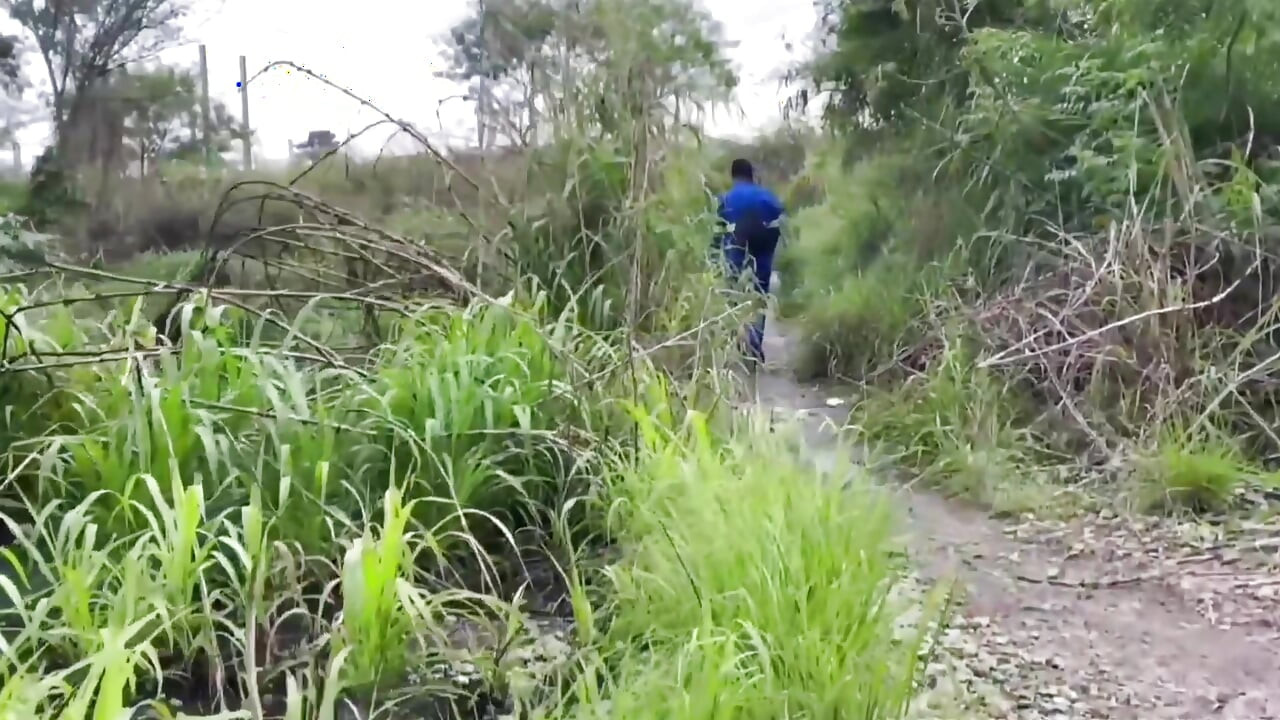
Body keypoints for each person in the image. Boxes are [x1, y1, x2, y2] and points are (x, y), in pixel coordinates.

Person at [716, 158, 785, 364]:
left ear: (733, 175)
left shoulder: (725, 199)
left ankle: (735, 341)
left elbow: (716, 230)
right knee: (760, 293)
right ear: (751, 175)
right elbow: (780, 216)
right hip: (763, 248)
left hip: (736, 246)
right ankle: (754, 344)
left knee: (733, 292)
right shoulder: (767, 196)